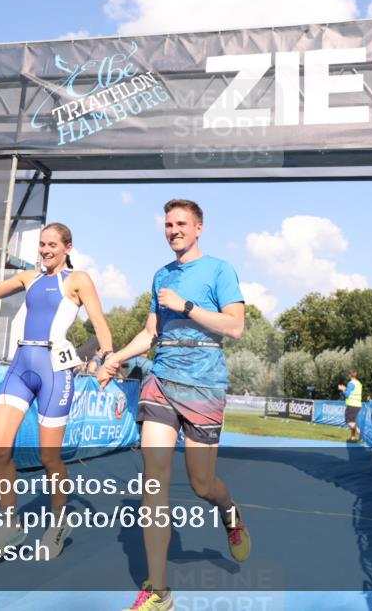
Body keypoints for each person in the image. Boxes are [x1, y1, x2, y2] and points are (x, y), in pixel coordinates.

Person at [97, 199, 248, 611]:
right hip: (161, 381)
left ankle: (229, 511)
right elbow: (151, 333)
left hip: (204, 385)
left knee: (202, 485)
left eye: (181, 223)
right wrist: (116, 358)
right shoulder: (161, 275)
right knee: (154, 480)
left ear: (199, 228)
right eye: (168, 224)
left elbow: (235, 326)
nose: (173, 230)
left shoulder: (219, 270)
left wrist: (186, 306)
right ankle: (159, 591)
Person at [0, 224, 113, 560]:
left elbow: (99, 324)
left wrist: (107, 358)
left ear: (67, 247)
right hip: (21, 366)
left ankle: (58, 523)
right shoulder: (29, 277)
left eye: (52, 245)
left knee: (49, 457)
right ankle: (10, 526)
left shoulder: (77, 280)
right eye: (42, 244)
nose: (46, 250)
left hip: (54, 372)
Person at [339, 369, 363, 442]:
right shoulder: (358, 383)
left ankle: (362, 434)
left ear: (350, 375)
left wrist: (343, 389)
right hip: (358, 405)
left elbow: (347, 395)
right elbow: (353, 391)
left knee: (349, 422)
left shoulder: (351, 383)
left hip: (352, 405)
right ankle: (353, 437)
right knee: (353, 421)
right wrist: (345, 388)